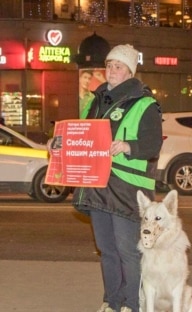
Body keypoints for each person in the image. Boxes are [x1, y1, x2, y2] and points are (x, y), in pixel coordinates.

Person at [73, 44, 163, 312]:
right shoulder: (96, 101)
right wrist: (60, 145)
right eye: (109, 65)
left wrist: (127, 146)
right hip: (98, 186)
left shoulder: (146, 103)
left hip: (127, 189)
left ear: (130, 72)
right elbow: (83, 136)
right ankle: (112, 302)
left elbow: (152, 144)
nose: (112, 70)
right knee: (107, 250)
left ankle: (132, 304)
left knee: (128, 252)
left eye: (118, 66)